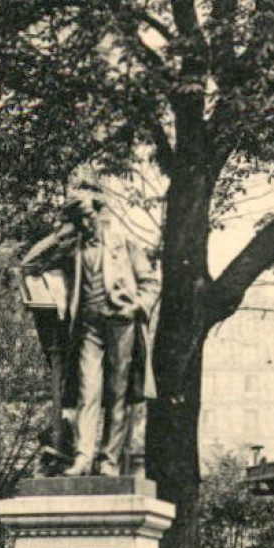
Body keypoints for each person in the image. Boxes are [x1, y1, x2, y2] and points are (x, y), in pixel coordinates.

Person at [21, 198, 161, 477]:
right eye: (80, 220)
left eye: (89, 217)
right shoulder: (73, 248)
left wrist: (137, 306)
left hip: (120, 323)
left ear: (99, 214)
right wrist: (59, 234)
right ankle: (83, 458)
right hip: (88, 327)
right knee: (88, 392)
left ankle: (109, 461)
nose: (87, 224)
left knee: (117, 394)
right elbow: (29, 264)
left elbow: (151, 282)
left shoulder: (124, 244)